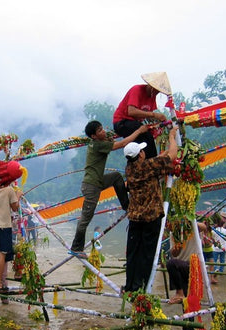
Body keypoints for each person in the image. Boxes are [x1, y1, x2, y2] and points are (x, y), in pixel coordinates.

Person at [69, 120, 150, 258]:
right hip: (92, 185)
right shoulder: (98, 145)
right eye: (99, 130)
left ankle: (127, 206)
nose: (103, 131)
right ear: (93, 136)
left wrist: (109, 135)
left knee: (117, 177)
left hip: (98, 181)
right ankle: (76, 248)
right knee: (85, 218)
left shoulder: (99, 142)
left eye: (102, 128)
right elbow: (123, 144)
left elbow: (111, 140)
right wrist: (139, 131)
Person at [123, 125, 178, 292]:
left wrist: (160, 156)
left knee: (133, 254)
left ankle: (131, 286)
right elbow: (173, 155)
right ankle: (142, 287)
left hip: (134, 218)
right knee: (147, 254)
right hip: (150, 217)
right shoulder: (148, 166)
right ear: (140, 154)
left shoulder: (130, 168)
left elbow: (153, 164)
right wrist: (171, 137)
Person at [113, 72, 171, 159]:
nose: (157, 93)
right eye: (156, 90)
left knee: (146, 139)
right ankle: (151, 162)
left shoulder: (152, 96)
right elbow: (131, 111)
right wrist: (154, 115)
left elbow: (148, 116)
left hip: (134, 124)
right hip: (122, 122)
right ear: (151, 87)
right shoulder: (137, 90)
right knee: (147, 137)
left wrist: (161, 121)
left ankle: (148, 161)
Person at [0, 185, 21, 294]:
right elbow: (15, 208)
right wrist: (18, 196)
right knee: (2, 254)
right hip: (4, 226)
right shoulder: (9, 190)